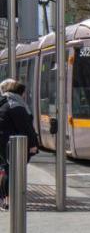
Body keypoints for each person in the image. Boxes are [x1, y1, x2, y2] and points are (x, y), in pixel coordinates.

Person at [0, 80, 39, 211]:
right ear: (20, 93)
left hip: (4, 143)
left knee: (6, 170)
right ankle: (10, 201)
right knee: (11, 171)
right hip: (14, 144)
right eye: (24, 93)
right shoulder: (16, 105)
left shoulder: (5, 102)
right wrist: (33, 144)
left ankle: (7, 201)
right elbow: (26, 127)